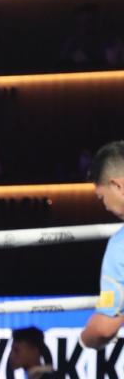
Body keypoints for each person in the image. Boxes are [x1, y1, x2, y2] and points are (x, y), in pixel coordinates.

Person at [79, 140, 124, 351]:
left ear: (118, 186)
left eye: (102, 197)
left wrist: (84, 340)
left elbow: (104, 328)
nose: (105, 205)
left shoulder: (120, 246)